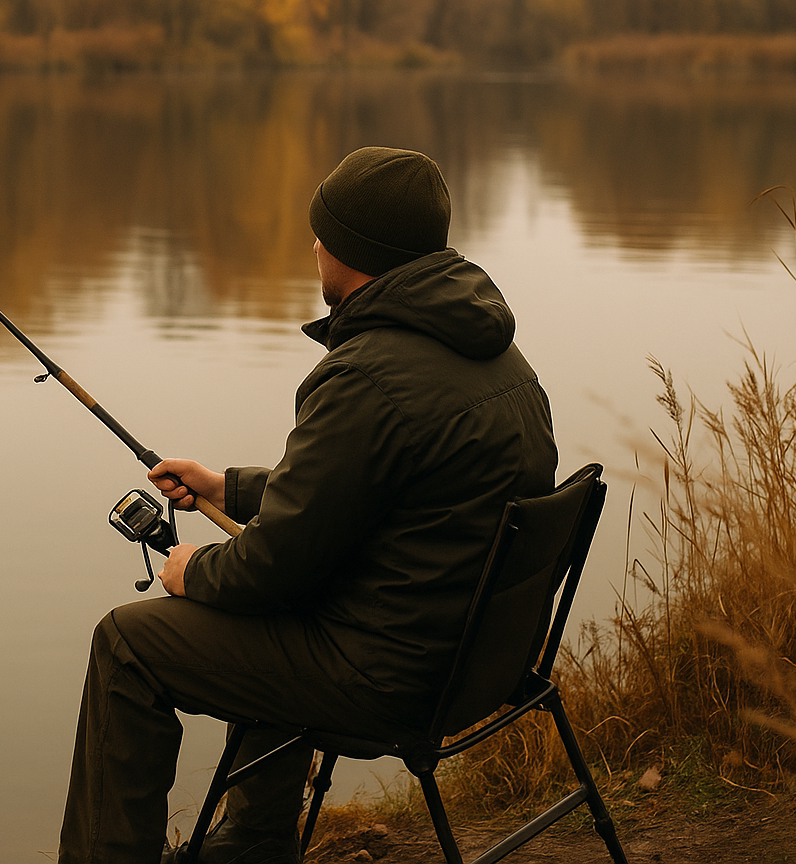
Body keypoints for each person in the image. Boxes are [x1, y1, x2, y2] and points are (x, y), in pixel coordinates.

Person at [56, 147, 558, 864]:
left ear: (355, 251)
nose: (314, 247)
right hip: (483, 661)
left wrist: (193, 571)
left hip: (392, 681)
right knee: (290, 596)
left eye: (322, 235)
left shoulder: (366, 377)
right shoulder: (498, 356)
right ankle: (255, 843)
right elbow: (365, 495)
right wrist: (226, 488)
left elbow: (271, 568)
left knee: (127, 643)